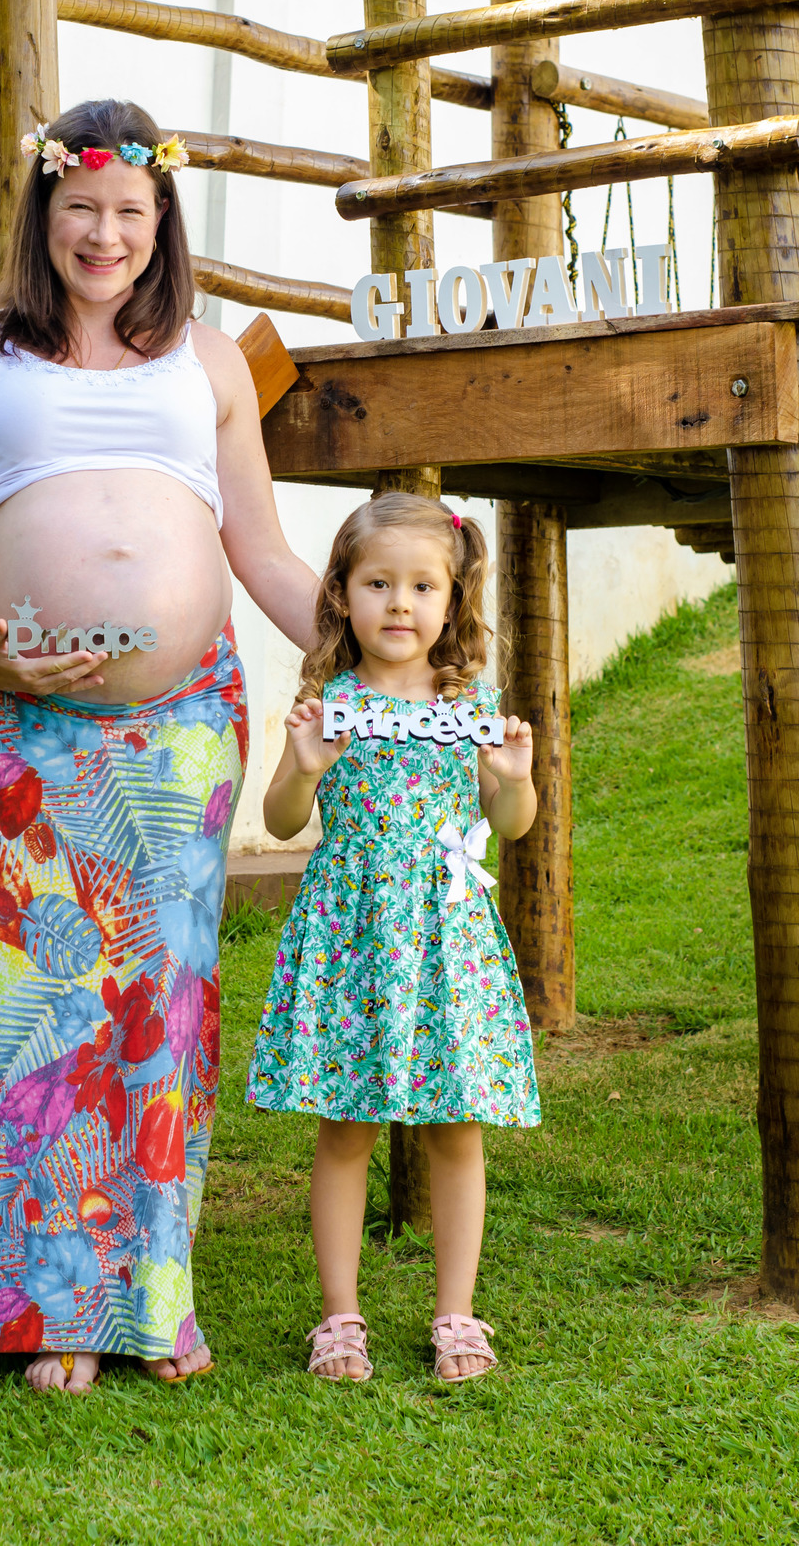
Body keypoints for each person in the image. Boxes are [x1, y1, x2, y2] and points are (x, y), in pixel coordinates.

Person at [0, 99, 317, 1394]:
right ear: (43, 213)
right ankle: (49, 1309)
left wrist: (383, 651)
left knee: (159, 1010)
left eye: (130, 212)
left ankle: (152, 1302)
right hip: (19, 724)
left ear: (160, 221)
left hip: (180, 728)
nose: (104, 234)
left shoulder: (209, 362)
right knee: (25, 1012)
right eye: (80, 208)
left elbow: (262, 552)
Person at [245, 492, 539, 1383]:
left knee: (457, 1125)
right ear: (342, 594)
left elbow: (511, 826)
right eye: (378, 584)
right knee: (346, 1125)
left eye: (421, 586)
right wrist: (303, 769)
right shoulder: (328, 704)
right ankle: (340, 1318)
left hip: (446, 935)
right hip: (354, 936)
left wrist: (514, 781)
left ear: (452, 600)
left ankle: (457, 1315)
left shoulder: (469, 705)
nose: (400, 604)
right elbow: (282, 819)